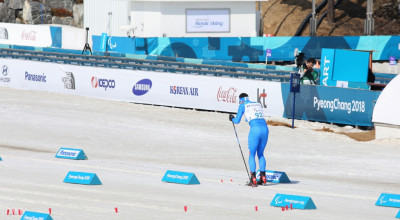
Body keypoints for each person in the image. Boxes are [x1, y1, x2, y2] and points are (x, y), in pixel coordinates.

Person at [229, 93, 269, 186]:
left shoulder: (242, 105)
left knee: (252, 154)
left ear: (241, 100)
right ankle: (263, 177)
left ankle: (253, 178)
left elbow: (237, 121)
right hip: (265, 129)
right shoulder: (257, 103)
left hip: (255, 130)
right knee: (261, 154)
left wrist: (232, 118)